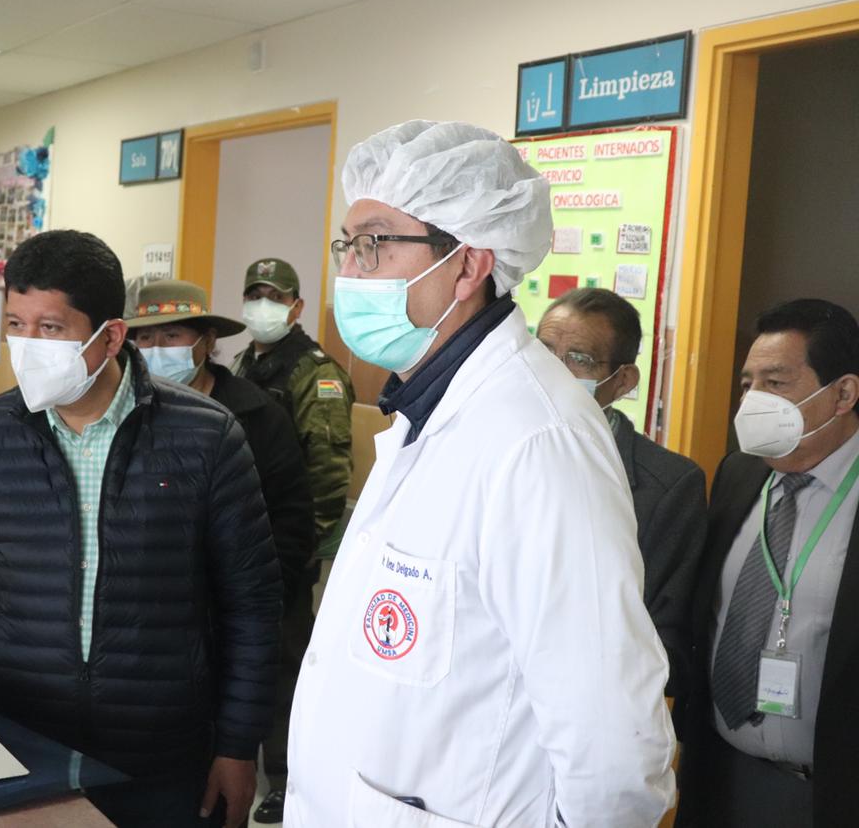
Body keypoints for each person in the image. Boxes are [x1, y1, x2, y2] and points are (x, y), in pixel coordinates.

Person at [285, 121, 675, 827]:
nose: (349, 270)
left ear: (466, 266)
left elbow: (615, 745)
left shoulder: (539, 440)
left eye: (374, 243)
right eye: (346, 244)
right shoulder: (425, 409)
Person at [0, 231, 281, 828]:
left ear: (110, 336)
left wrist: (238, 746)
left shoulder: (205, 436)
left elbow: (252, 605)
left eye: (49, 328)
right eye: (16, 324)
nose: (27, 346)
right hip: (18, 737)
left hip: (162, 751)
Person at [127, 280, 316, 818]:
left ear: (206, 340)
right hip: (158, 622)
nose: (157, 347)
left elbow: (291, 519)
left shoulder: (258, 414)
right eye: (145, 337)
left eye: (173, 334)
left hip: (244, 609)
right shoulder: (126, 412)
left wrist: (248, 591)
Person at [676, 299, 859, 827]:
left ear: (842, 393)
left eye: (775, 383)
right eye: (747, 383)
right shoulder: (737, 474)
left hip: (829, 794)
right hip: (718, 774)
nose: (753, 401)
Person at [537, 287, 706, 702]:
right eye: (542, 353)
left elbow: (665, 635)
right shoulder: (490, 448)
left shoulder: (669, 485)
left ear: (623, 380)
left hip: (589, 701)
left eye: (578, 359)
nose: (554, 373)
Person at [231, 258, 354, 823]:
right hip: (242, 539)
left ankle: (285, 776)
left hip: (287, 541)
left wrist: (309, 548)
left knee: (286, 666)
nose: (263, 305)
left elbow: (328, 472)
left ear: (296, 307)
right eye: (254, 294)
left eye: (274, 297)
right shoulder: (242, 363)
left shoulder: (314, 372)